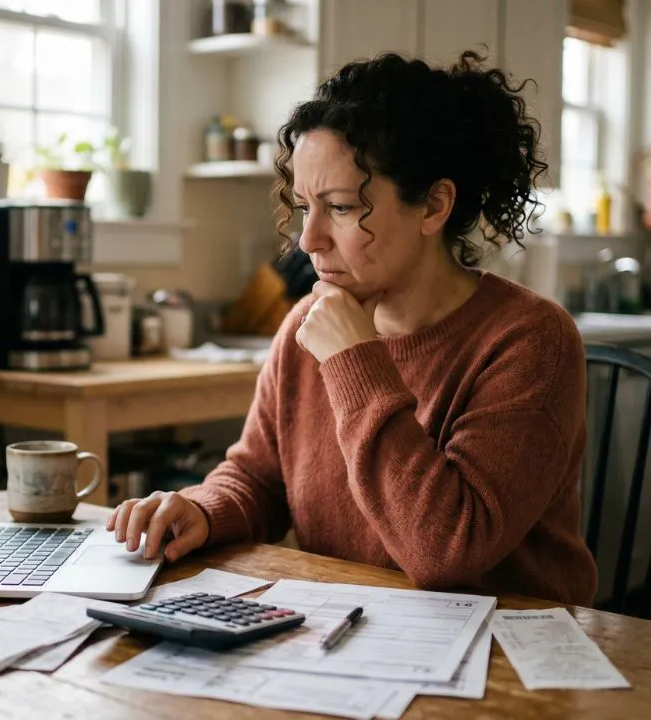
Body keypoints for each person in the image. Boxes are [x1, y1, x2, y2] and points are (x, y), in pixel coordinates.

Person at [107, 51, 598, 606]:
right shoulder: (307, 326)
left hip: (507, 654)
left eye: (340, 207)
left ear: (433, 206)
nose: (308, 240)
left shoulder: (530, 341)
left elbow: (446, 551)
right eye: (303, 207)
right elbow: (260, 477)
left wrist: (354, 360)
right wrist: (203, 509)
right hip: (353, 629)